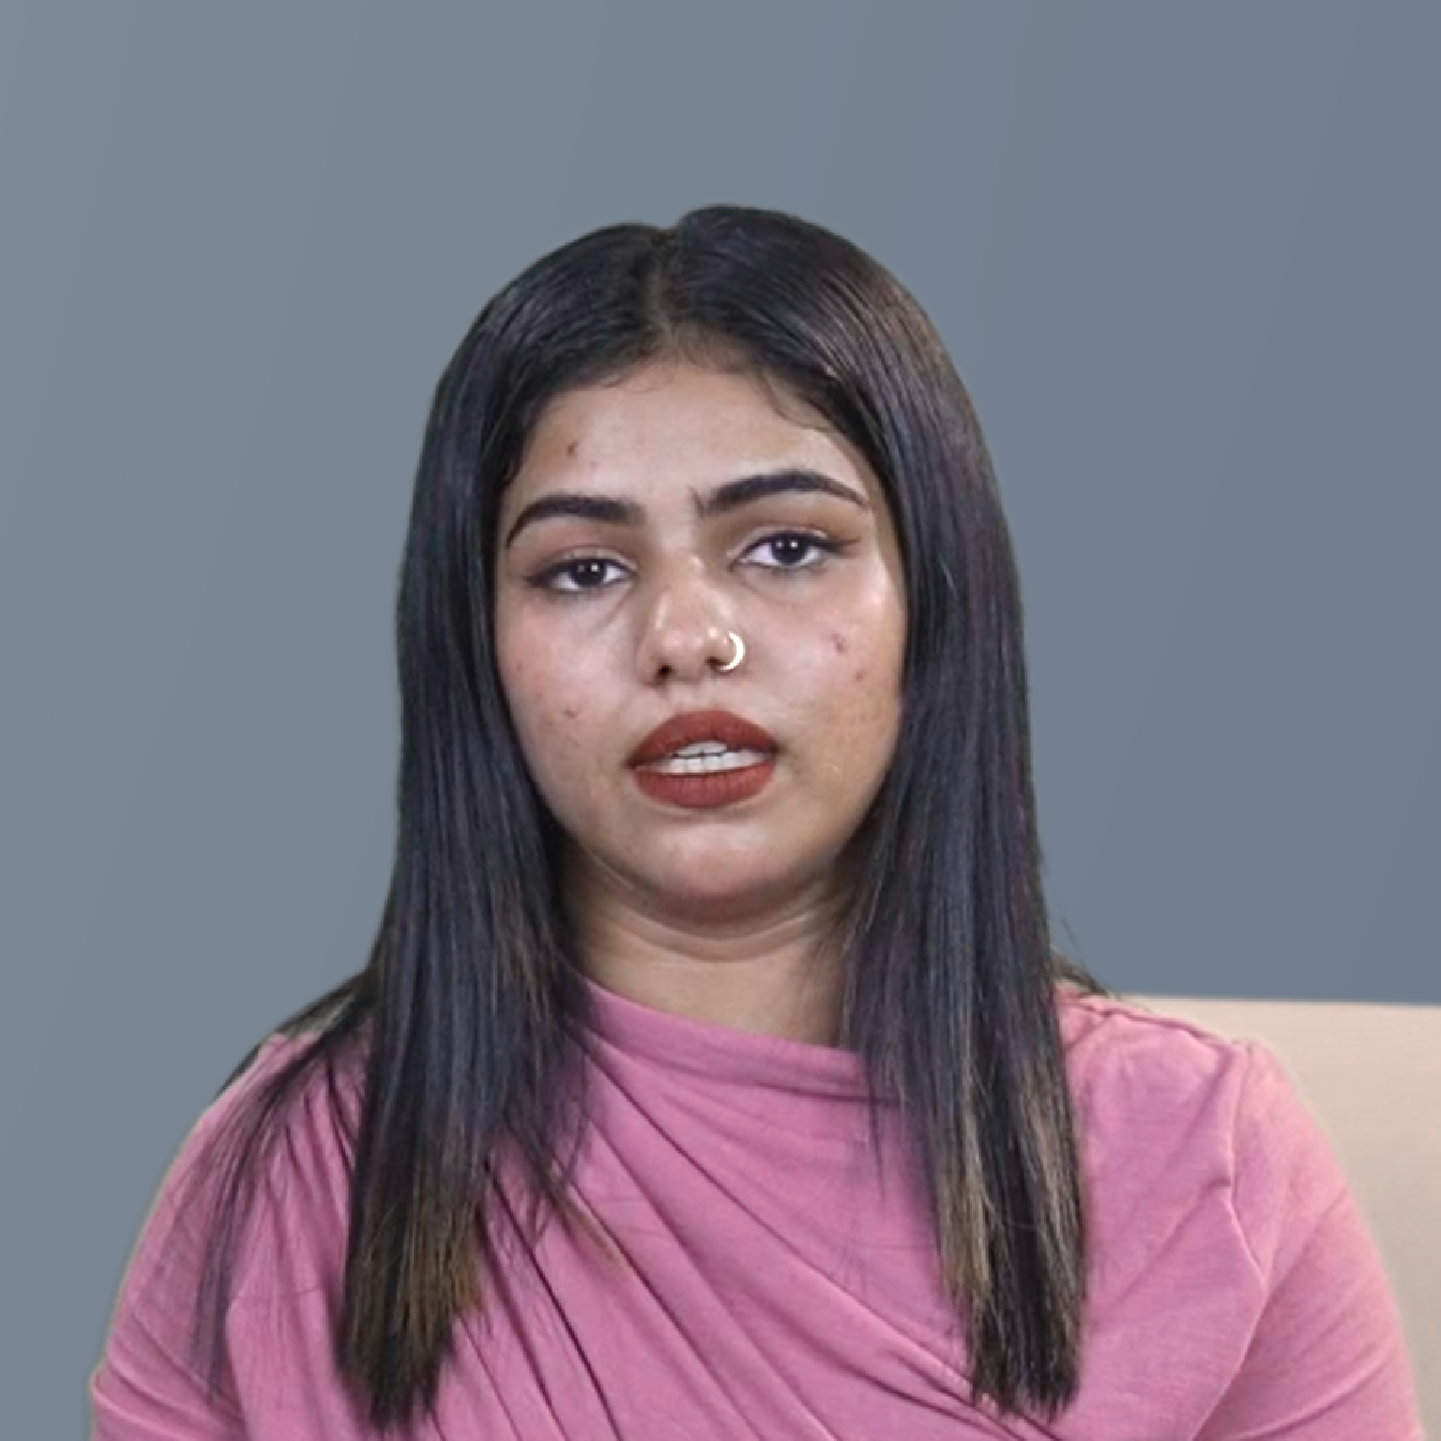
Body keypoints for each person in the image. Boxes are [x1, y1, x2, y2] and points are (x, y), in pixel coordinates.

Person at [90, 205, 1424, 1439]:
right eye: (583, 570)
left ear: (934, 600)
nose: (686, 636)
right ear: (478, 649)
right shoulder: (292, 1174)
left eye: (787, 547)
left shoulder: (1210, 1167)